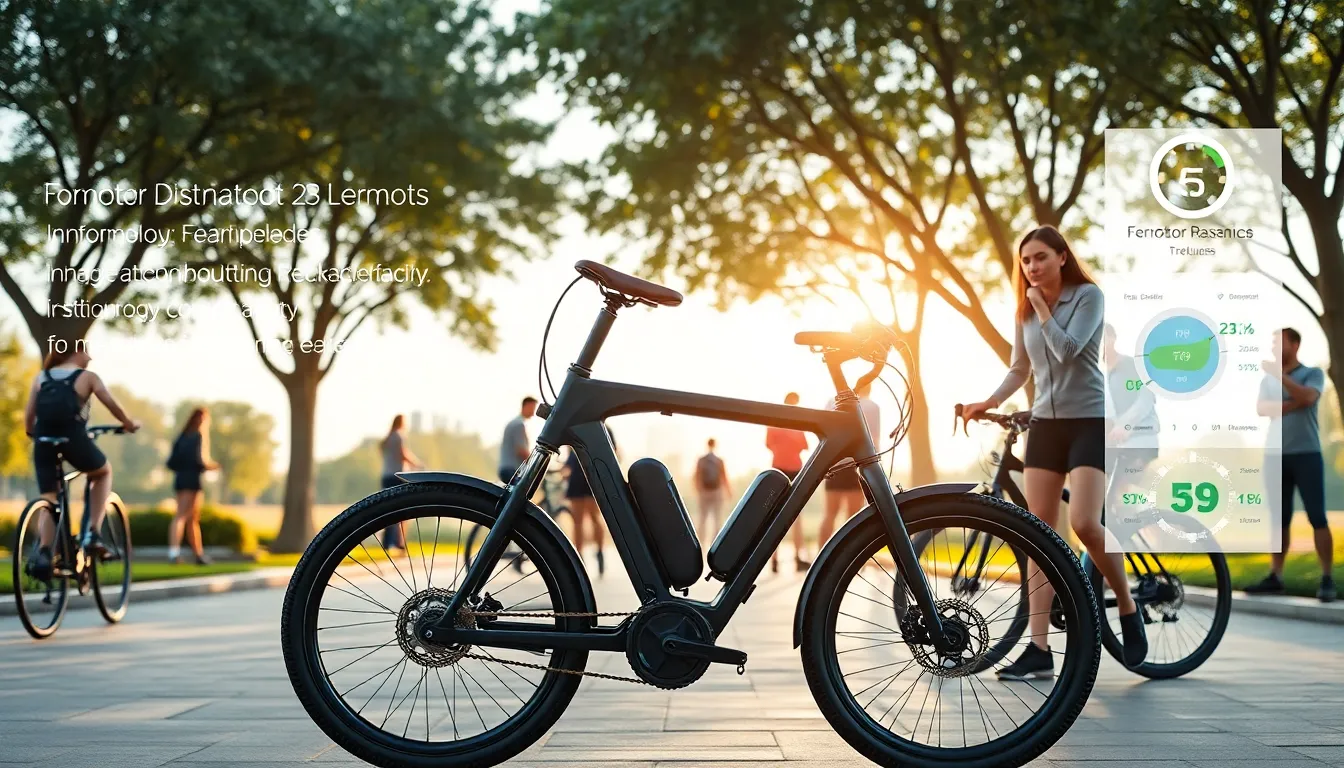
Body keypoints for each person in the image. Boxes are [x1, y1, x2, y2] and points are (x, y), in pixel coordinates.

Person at [960, 224, 1147, 679]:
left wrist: (1043, 307)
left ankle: (1125, 605)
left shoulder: (1088, 297)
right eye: (1025, 261)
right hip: (1044, 424)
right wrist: (988, 401)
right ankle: (1039, 647)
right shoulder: (1024, 311)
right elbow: (1019, 369)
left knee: (1084, 522)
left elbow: (1067, 350)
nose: (1032, 267)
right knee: (1037, 533)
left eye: (1040, 257)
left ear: (1062, 257)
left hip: (1088, 423)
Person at [23, 343, 139, 576]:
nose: (90, 356)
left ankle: (45, 554)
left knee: (50, 499)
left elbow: (29, 417)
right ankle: (92, 533)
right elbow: (110, 403)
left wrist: (34, 434)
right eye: (86, 351)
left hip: (43, 443)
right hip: (73, 439)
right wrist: (128, 423)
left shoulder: (42, 377)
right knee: (102, 471)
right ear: (75, 352)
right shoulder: (88, 377)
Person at [1246, 328, 1334, 602]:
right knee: (1278, 519)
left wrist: (1281, 380)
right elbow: (1262, 409)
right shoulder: (1268, 380)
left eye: (1279, 341)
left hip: (1307, 454)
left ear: (1294, 344)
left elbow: (1310, 398)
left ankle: (1327, 578)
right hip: (1275, 456)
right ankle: (1276, 576)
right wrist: (1293, 401)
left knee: (1316, 517)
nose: (1274, 346)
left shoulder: (1313, 374)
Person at [817, 381, 881, 549]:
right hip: (857, 464)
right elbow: (874, 439)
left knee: (829, 514)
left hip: (834, 462)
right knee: (854, 518)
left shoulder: (831, 402)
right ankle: (849, 559)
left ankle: (819, 558)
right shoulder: (872, 407)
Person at [1103, 323, 1161, 500]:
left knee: (1121, 492)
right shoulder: (1098, 372)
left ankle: (1150, 519)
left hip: (1138, 440)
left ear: (1112, 339)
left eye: (1102, 338)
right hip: (1112, 445)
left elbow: (1146, 399)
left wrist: (1126, 425)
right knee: (1105, 497)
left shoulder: (1131, 366)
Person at [166, 407, 221, 565]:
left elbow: (173, 460)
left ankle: (198, 554)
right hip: (192, 480)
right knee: (182, 517)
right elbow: (201, 460)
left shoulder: (182, 436)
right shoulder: (199, 436)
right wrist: (214, 466)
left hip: (180, 479)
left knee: (191, 519)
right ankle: (174, 552)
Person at [766, 392, 812, 573]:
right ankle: (797, 557)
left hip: (778, 466)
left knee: (775, 515)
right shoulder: (797, 422)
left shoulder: (774, 421)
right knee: (796, 515)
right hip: (794, 468)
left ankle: (774, 560)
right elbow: (805, 445)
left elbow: (768, 444)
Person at [379, 414, 424, 551]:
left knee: (388, 509)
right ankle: (400, 542)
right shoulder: (398, 436)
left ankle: (388, 542)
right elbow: (403, 454)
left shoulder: (387, 439)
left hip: (386, 475)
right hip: (398, 476)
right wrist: (417, 464)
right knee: (402, 510)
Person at [694, 439, 731, 540]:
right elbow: (724, 476)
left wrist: (698, 489)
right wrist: (729, 491)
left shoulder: (701, 460)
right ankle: (715, 542)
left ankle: (699, 541)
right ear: (715, 445)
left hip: (704, 492)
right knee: (717, 518)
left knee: (702, 518)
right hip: (716, 491)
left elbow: (697, 475)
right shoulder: (719, 460)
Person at [499, 397, 538, 484]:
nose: (533, 413)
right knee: (522, 495)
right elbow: (521, 451)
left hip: (506, 468)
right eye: (533, 408)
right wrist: (535, 465)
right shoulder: (519, 424)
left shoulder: (515, 422)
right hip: (512, 470)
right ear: (526, 406)